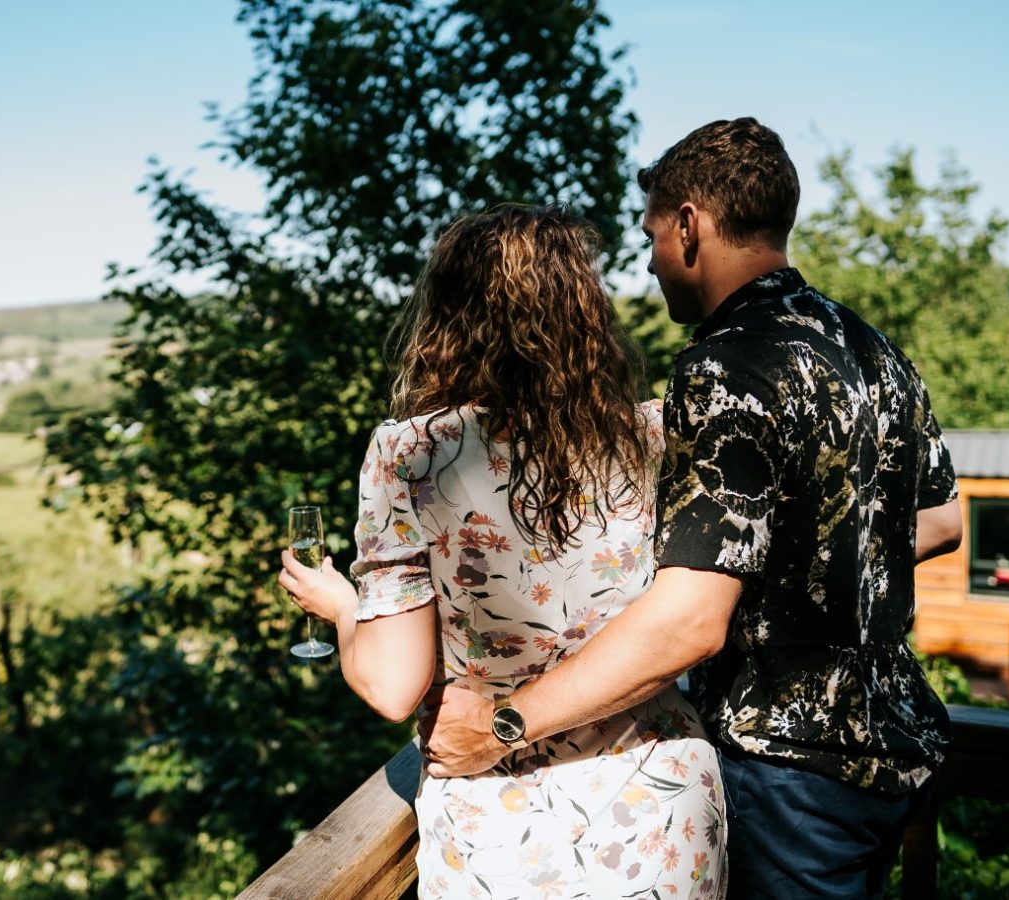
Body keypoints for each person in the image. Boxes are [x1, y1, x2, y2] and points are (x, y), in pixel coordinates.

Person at [404, 118, 965, 898]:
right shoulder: (874, 350)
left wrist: (503, 727)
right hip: (897, 751)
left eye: (653, 235)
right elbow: (941, 523)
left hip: (787, 773)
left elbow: (689, 621)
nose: (650, 259)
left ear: (691, 225)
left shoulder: (723, 366)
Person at [281, 204, 727, 898]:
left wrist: (343, 609)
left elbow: (395, 685)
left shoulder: (412, 455)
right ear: (585, 312)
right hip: (661, 810)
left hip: (506, 833)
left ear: (448, 316)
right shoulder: (656, 436)